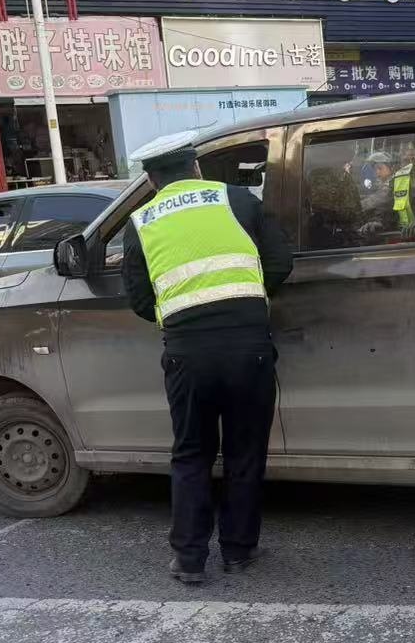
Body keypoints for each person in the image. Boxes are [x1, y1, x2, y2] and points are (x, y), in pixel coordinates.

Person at [122, 145, 293, 585]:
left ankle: (190, 558)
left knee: (191, 453)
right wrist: (246, 301)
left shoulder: (141, 222)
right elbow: (280, 263)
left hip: (187, 353)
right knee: (244, 452)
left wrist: (180, 316)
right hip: (248, 347)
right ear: (196, 168)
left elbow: (141, 300)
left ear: (152, 182)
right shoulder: (237, 200)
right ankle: (238, 551)